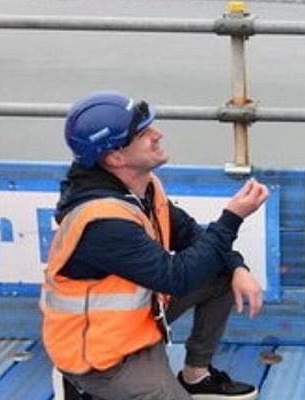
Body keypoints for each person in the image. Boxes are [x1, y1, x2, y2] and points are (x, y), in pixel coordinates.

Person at [40, 90, 269, 400]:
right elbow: (177, 277)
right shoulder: (102, 223)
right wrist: (233, 217)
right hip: (100, 357)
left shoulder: (141, 188)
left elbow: (190, 234)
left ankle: (196, 375)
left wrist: (237, 267)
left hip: (136, 323)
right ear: (115, 157)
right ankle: (78, 383)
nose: (158, 134)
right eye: (143, 133)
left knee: (220, 271)